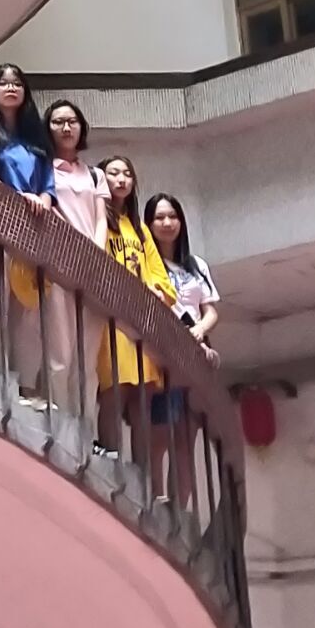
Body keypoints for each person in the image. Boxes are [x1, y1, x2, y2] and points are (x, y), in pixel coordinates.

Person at [97, 156, 176, 458]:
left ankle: (140, 475)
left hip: (142, 321)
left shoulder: (140, 229)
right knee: (115, 389)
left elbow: (160, 277)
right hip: (112, 315)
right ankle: (110, 455)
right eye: (113, 173)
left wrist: (157, 290)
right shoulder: (98, 220)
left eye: (127, 174)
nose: (121, 179)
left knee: (143, 397)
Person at [145, 193, 221, 504]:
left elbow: (211, 310)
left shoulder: (196, 264)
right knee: (161, 433)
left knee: (187, 438)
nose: (167, 223)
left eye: (172, 216)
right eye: (159, 217)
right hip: (162, 354)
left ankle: (180, 510)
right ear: (148, 223)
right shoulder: (147, 262)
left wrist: (200, 331)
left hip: (195, 353)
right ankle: (155, 497)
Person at [0, 63, 54, 384]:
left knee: (29, 309)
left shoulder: (36, 137)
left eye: (17, 83)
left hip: (34, 227)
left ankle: (24, 383)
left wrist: (45, 199)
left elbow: (48, 182)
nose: (10, 88)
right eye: (3, 83)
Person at [42, 98, 109, 421]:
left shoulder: (95, 175)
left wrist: (95, 252)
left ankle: (86, 430)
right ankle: (61, 426)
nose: (66, 128)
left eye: (72, 121)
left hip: (92, 268)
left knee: (87, 358)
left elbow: (101, 219)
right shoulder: (43, 169)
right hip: (58, 264)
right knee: (60, 353)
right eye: (58, 122)